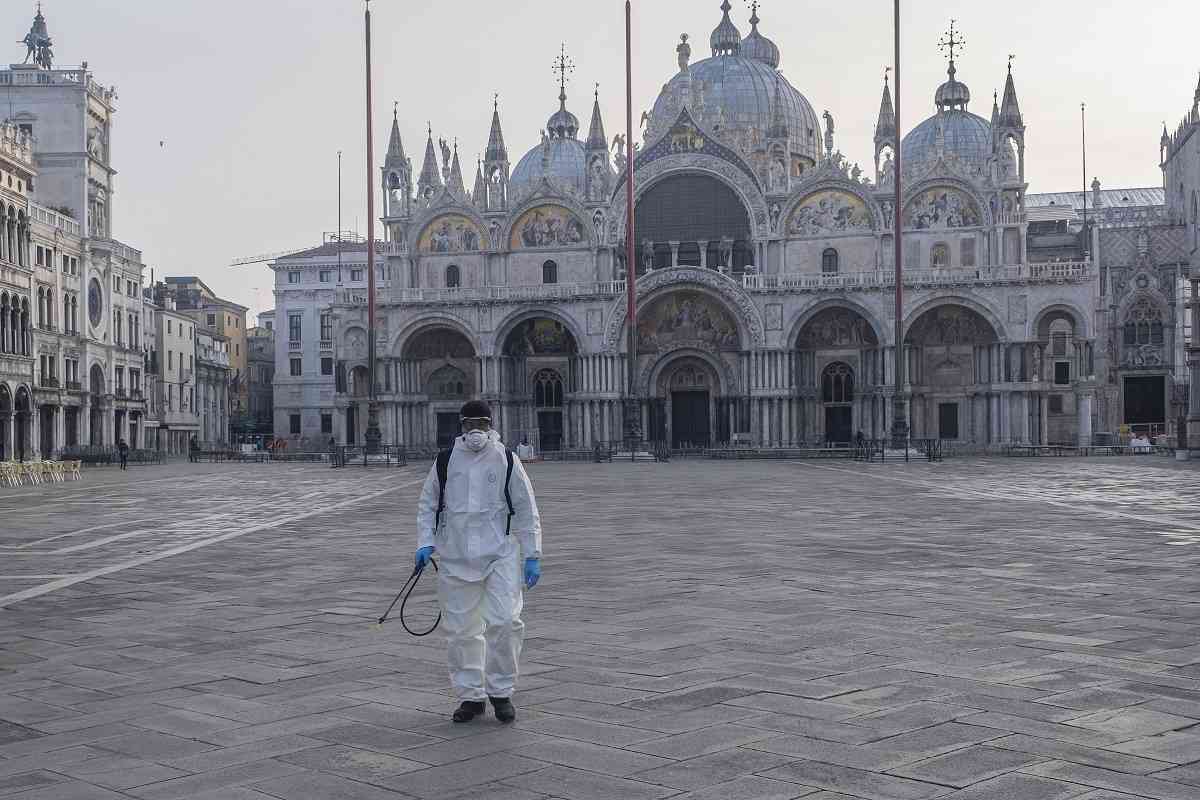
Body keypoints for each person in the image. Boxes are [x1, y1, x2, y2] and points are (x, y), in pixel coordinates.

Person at [415, 400, 542, 724]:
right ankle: (470, 695)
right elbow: (428, 504)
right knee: (461, 630)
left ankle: (501, 691)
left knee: (505, 622)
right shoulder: (444, 461)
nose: (476, 431)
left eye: (481, 424)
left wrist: (532, 554)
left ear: (491, 425)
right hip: (455, 555)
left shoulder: (507, 460)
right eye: (470, 424)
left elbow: (527, 508)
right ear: (461, 426)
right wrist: (425, 543)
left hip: (500, 552)